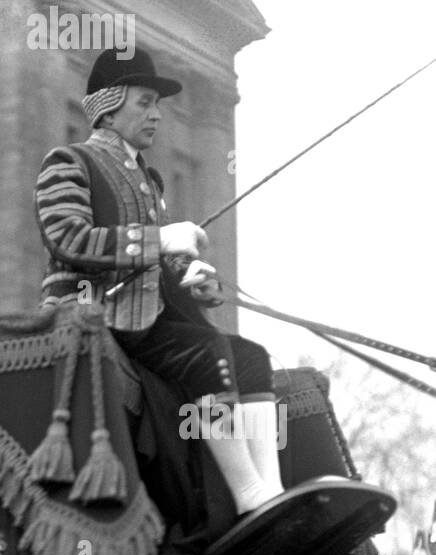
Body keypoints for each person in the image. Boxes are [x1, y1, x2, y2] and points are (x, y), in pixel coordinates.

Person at [35, 49, 286, 519]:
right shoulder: (68, 162)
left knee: (251, 358)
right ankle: (249, 495)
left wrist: (190, 281)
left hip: (145, 316)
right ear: (109, 107)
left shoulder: (149, 180)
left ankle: (271, 492)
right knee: (207, 349)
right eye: (145, 102)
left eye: (157, 104)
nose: (156, 114)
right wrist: (160, 238)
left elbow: (154, 271)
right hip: (91, 318)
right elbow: (67, 238)